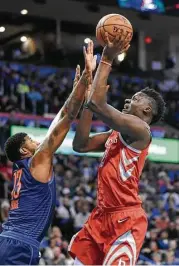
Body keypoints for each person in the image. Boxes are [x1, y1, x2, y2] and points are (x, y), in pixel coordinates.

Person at [69, 33, 166, 265]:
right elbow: (80, 145)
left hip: (125, 219)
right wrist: (87, 101)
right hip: (100, 217)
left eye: (135, 99)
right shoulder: (115, 135)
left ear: (146, 111)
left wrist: (107, 58)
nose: (127, 101)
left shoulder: (142, 130)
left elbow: (98, 103)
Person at [0, 41, 96, 265]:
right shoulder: (37, 161)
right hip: (20, 244)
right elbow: (66, 119)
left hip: (13, 241)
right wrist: (85, 79)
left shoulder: (22, 168)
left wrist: (76, 92)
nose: (37, 141)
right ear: (25, 150)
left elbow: (60, 116)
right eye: (32, 140)